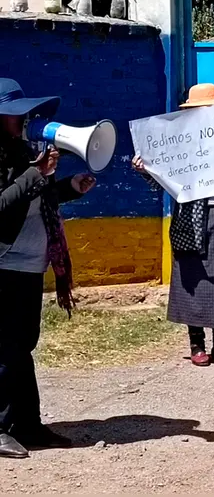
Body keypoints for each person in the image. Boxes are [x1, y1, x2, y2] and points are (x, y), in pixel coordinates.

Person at [0, 78, 97, 458]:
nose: (25, 119)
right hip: (4, 266)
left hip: (28, 265)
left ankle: (27, 424)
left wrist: (70, 186)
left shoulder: (24, 153)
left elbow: (36, 198)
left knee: (23, 348)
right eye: (16, 114)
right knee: (4, 351)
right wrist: (34, 174)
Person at [133, 83, 214, 367]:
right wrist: (144, 169)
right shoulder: (178, 142)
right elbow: (161, 180)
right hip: (191, 219)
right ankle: (197, 343)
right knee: (195, 279)